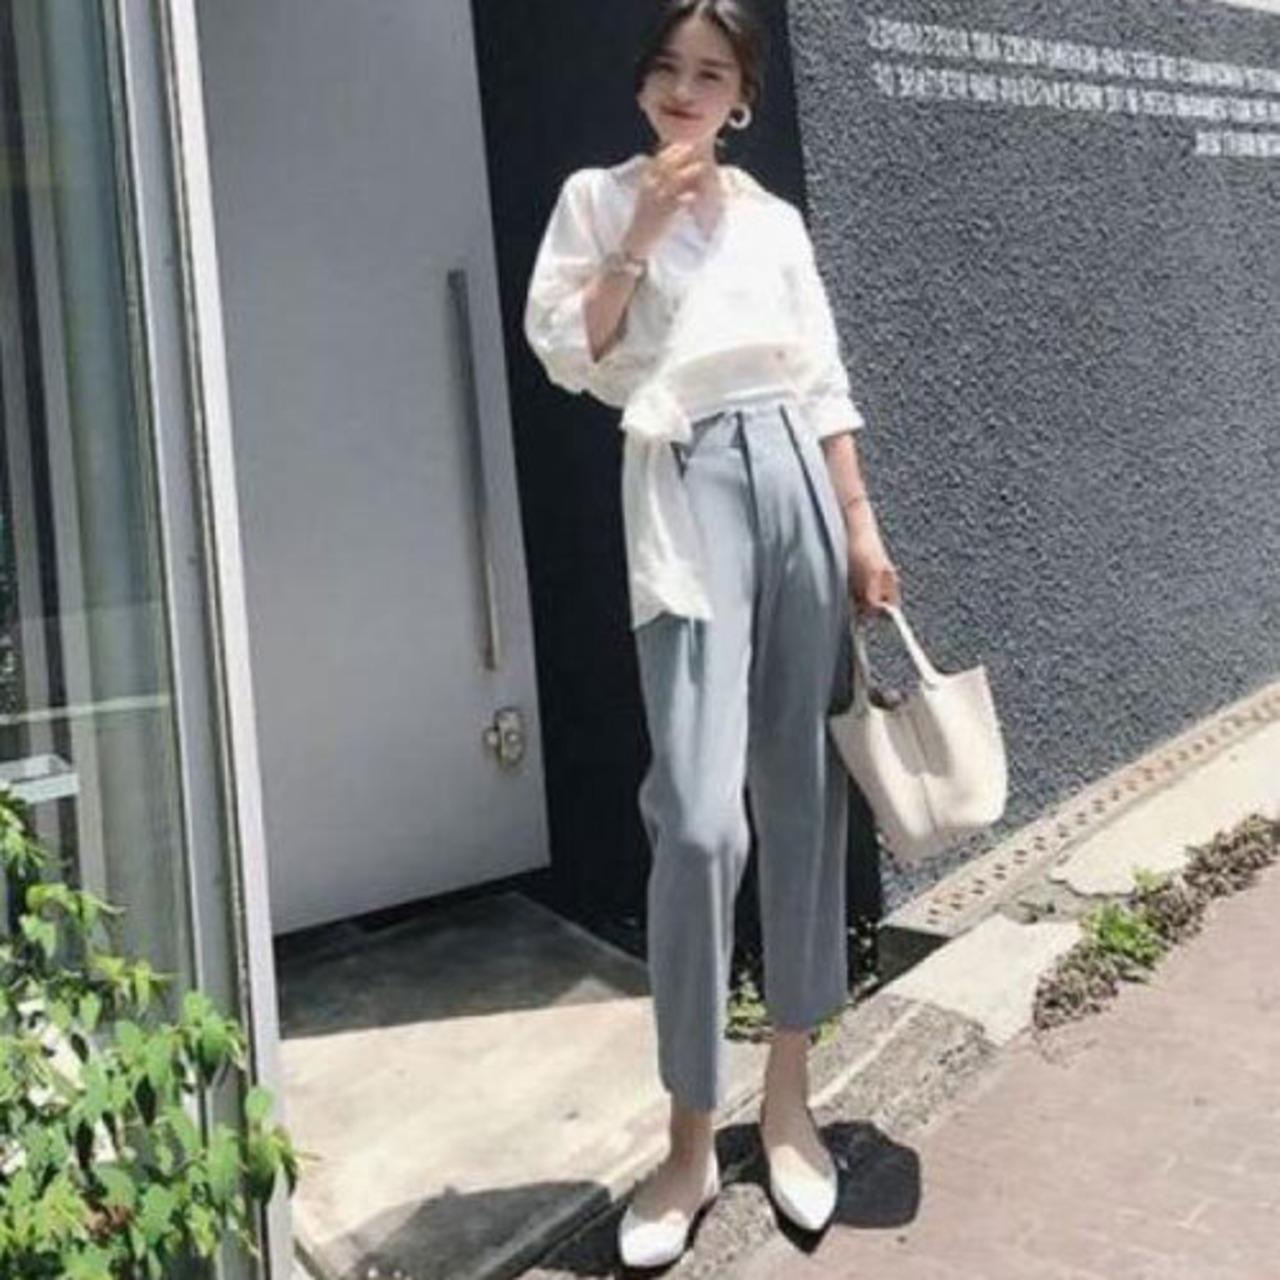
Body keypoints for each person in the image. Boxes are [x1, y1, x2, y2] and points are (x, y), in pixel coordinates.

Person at [523, 0, 900, 1267]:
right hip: (681, 480)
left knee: (798, 790)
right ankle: (688, 1134)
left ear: (742, 94)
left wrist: (858, 526)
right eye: (667, 68)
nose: (685, 90)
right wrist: (636, 234)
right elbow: (571, 351)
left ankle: (787, 1098)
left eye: (712, 72)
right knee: (693, 816)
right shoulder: (594, 198)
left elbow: (819, 376)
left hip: (792, 474)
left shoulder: (774, 220)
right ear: (643, 83)